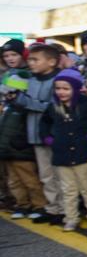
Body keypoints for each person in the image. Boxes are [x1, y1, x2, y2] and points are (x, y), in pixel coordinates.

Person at [40, 69, 87, 232]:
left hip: (82, 152)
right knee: (68, 190)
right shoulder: (53, 107)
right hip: (61, 154)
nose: (61, 92)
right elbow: (44, 123)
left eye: (66, 88)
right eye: (58, 88)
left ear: (75, 89)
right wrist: (47, 138)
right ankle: (71, 217)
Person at [13, 43, 63, 224]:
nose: (31, 63)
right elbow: (20, 97)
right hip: (35, 134)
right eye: (30, 60)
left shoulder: (59, 80)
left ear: (51, 62)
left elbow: (52, 107)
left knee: (60, 174)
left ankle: (65, 209)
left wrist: (26, 102)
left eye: (35, 59)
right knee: (46, 175)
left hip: (53, 134)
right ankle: (52, 208)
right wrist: (15, 97)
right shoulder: (30, 80)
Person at [0, 71, 45, 218]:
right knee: (14, 181)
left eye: (13, 92)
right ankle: (22, 204)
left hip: (22, 151)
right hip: (7, 150)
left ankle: (39, 205)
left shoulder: (25, 107)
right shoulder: (6, 107)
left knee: (30, 180)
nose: (8, 95)